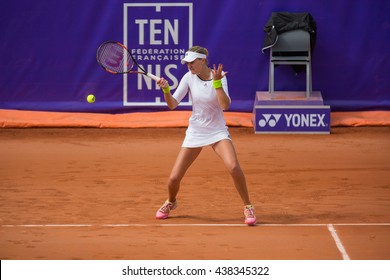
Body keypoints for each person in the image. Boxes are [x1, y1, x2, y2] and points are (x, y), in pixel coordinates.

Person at [155, 46, 256, 226]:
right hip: (196, 131)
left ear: (202, 61)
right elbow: (172, 105)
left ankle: (248, 206)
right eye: (187, 63)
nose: (189, 66)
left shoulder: (219, 76)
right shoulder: (188, 77)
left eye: (192, 62)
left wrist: (216, 83)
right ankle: (171, 202)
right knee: (173, 179)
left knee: (233, 167)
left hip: (217, 131)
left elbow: (225, 106)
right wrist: (166, 91)